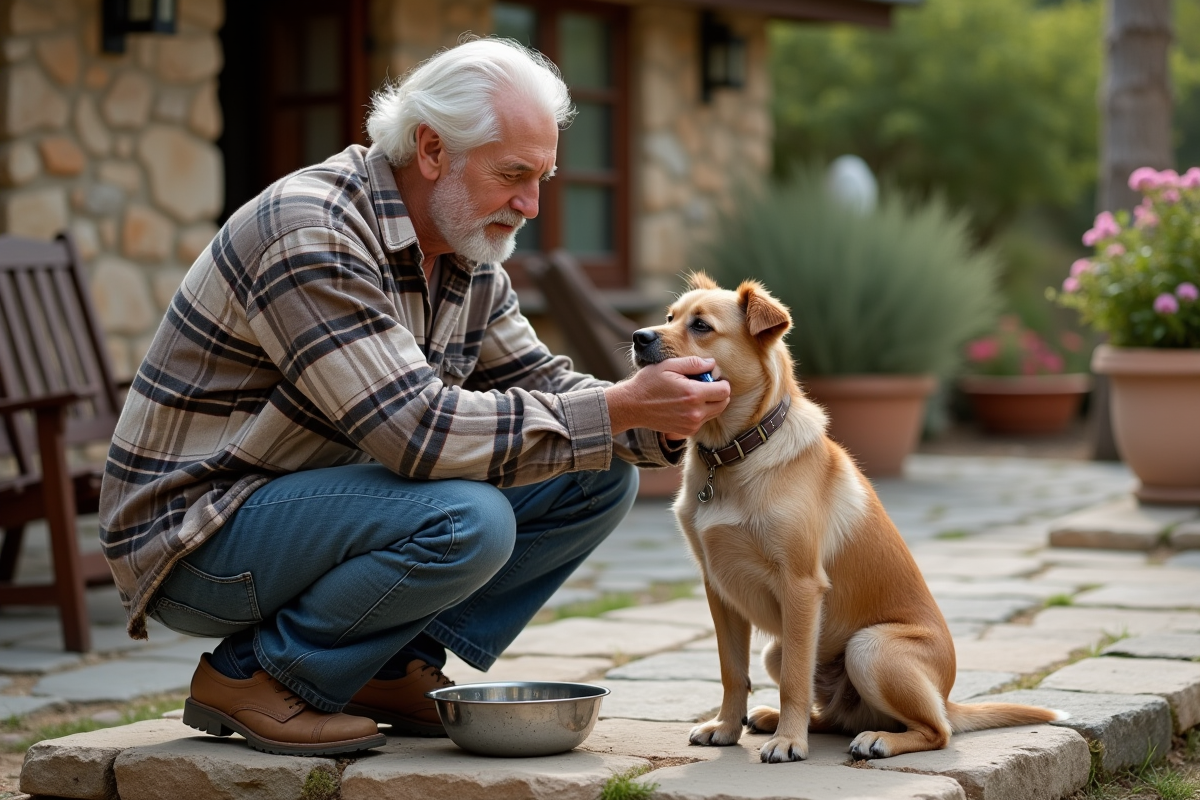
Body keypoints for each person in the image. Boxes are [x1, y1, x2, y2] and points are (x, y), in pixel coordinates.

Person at [98, 37, 730, 756]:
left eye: (542, 178)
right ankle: (257, 676)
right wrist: (618, 407)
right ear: (432, 149)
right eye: (513, 175)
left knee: (596, 472)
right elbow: (418, 434)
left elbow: (545, 384)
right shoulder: (310, 230)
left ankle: (384, 666)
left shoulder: (466, 252)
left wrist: (663, 414)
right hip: (195, 537)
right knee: (468, 520)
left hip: (309, 507)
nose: (530, 204)